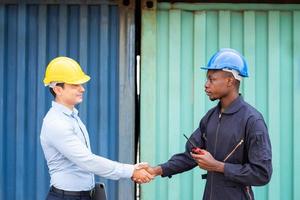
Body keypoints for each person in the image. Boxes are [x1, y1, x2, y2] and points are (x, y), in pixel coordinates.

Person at [142, 48, 272, 199]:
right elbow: (190, 156)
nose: (206, 84)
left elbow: (262, 174)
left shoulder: (252, 121)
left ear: (230, 81)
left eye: (212, 79)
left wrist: (218, 166)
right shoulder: (210, 117)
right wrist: (156, 170)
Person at [40, 57, 153, 200]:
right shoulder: (56, 123)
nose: (82, 89)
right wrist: (131, 171)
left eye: (81, 84)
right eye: (75, 85)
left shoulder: (72, 117)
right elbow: (87, 161)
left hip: (84, 195)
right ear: (57, 89)